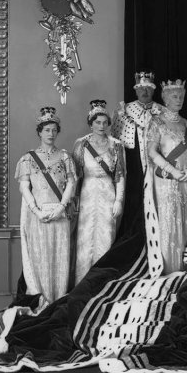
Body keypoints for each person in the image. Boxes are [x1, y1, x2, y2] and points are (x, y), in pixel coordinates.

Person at [14, 107, 77, 306]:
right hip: (38, 214)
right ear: (39, 132)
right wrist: (36, 211)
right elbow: (24, 187)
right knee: (40, 258)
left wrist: (61, 207)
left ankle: (57, 302)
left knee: (60, 258)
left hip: (60, 214)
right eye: (47, 130)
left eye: (54, 130)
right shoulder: (28, 159)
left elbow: (71, 184)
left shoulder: (65, 157)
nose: (50, 134)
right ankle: (42, 302)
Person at [146, 79, 187, 273]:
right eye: (175, 96)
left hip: (185, 180)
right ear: (165, 99)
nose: (179, 99)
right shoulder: (157, 122)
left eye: (181, 96)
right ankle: (167, 270)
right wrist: (172, 170)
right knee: (168, 223)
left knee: (185, 222)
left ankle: (183, 269)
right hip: (165, 180)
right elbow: (151, 152)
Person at [72, 100, 126, 284]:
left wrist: (118, 200)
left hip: (108, 194)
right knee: (85, 236)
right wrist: (75, 201)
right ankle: (82, 281)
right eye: (97, 122)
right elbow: (75, 177)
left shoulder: (116, 145)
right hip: (87, 193)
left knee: (105, 235)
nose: (101, 126)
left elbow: (120, 175)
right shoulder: (81, 144)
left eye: (105, 122)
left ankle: (102, 282)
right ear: (90, 123)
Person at [112, 71, 162, 239]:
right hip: (132, 166)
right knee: (133, 200)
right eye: (141, 88)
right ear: (136, 90)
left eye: (148, 88)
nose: (145, 92)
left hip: (156, 165)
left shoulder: (161, 111)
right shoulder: (125, 110)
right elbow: (115, 141)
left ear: (153, 90)